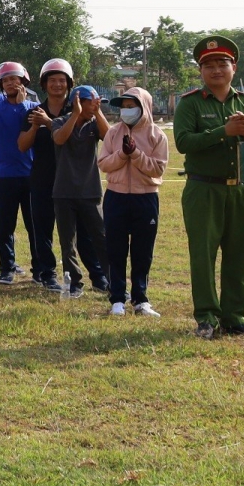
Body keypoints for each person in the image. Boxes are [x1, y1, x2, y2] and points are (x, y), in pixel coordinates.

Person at [174, 36, 244, 340]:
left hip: (242, 190)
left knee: (238, 254)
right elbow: (183, 142)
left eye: (222, 64)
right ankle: (206, 317)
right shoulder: (190, 103)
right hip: (204, 189)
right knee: (203, 256)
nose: (216, 70)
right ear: (201, 71)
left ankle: (235, 317)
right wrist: (223, 131)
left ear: (234, 67)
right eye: (209, 65)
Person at [99, 87, 167, 317]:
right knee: (115, 249)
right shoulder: (113, 133)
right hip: (115, 196)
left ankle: (141, 299)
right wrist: (122, 154)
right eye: (124, 107)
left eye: (132, 106)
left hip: (145, 197)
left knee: (142, 250)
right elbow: (104, 164)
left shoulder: (157, 135)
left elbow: (157, 168)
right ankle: (117, 298)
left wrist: (136, 154)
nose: (126, 111)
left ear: (144, 107)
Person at [0, 61, 36, 284]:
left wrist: (21, 106)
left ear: (23, 82)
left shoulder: (33, 108)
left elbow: (31, 126)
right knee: (5, 226)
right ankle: (7, 269)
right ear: (1, 84)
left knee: (34, 226)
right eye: (7, 80)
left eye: (15, 79)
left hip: (31, 175)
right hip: (4, 176)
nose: (11, 83)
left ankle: (39, 269)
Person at [51, 81, 108, 297]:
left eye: (96, 103)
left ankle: (112, 282)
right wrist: (75, 114)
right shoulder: (60, 121)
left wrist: (97, 111)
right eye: (90, 102)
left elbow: (109, 136)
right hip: (63, 192)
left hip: (90, 191)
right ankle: (74, 283)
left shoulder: (95, 124)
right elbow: (59, 138)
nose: (94, 106)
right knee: (68, 242)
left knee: (102, 239)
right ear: (77, 102)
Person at [24, 59, 74, 291]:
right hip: (42, 178)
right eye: (52, 80)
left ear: (69, 84)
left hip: (72, 179)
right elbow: (22, 146)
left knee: (76, 231)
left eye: (61, 80)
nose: (57, 85)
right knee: (42, 228)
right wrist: (36, 126)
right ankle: (48, 274)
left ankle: (85, 275)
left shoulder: (76, 110)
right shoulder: (34, 112)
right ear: (44, 84)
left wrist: (49, 122)